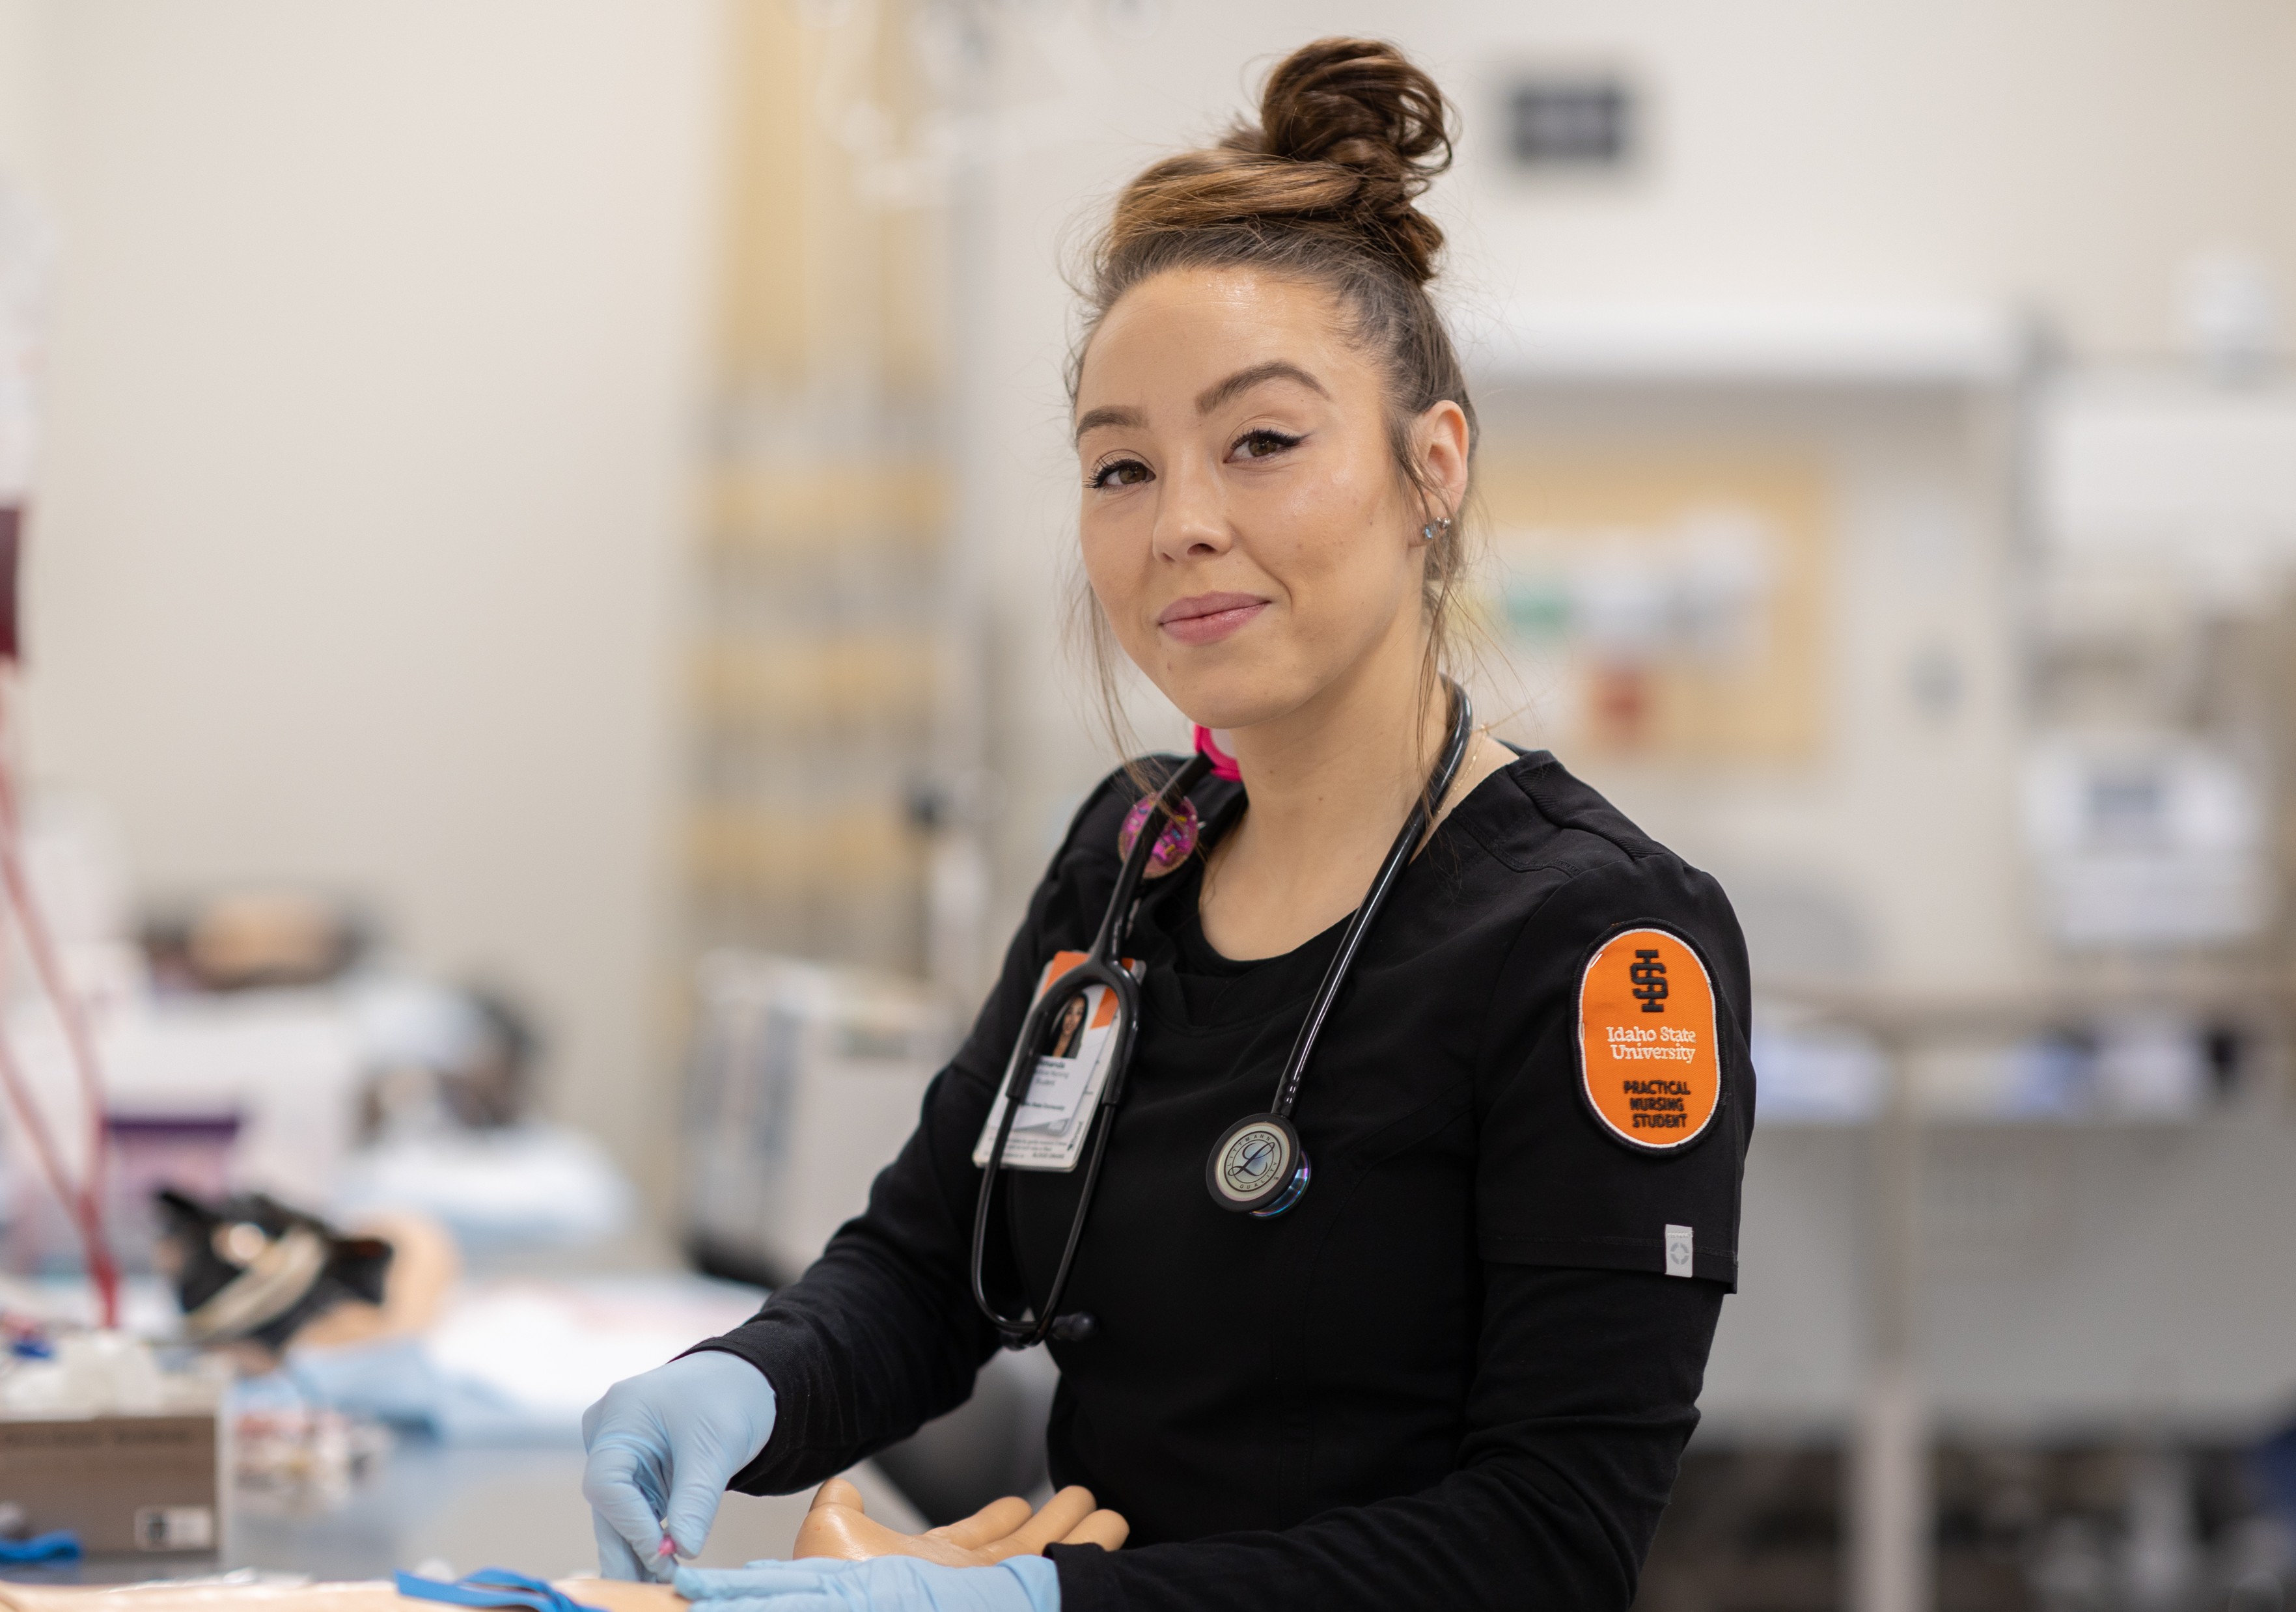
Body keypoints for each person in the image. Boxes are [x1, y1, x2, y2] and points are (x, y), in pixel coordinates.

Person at [583, 36, 1752, 1612]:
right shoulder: (1131, 858)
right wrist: (738, 1387)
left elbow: (1548, 1542)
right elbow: (933, 1266)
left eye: (1261, 442)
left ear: (1432, 468)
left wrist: (1033, 1603)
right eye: (1120, 466)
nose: (1182, 523)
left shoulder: (1596, 942)